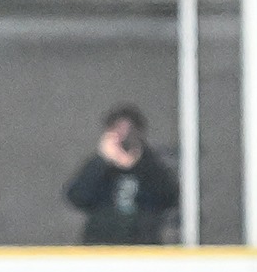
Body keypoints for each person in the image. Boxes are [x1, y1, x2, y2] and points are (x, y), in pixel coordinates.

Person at [64, 104, 178, 245]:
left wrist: (140, 159)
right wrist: (103, 161)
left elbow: (169, 197)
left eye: (129, 130)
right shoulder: (97, 167)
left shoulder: (152, 166)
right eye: (117, 130)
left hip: (143, 246)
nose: (123, 136)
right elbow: (77, 197)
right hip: (101, 247)